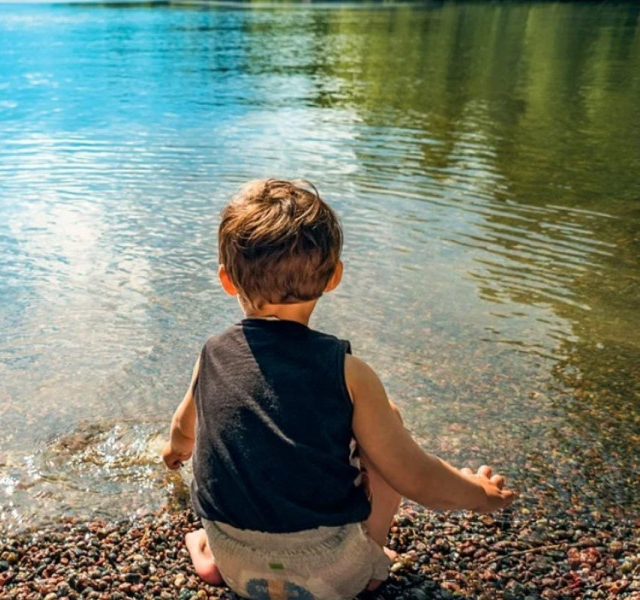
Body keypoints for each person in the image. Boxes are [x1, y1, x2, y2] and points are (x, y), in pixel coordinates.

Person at [162, 179, 516, 600]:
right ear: (333, 277)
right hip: (332, 578)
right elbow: (415, 477)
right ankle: (372, 556)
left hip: (237, 565)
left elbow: (184, 429)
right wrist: (480, 495)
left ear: (226, 280)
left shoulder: (211, 355)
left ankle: (206, 552)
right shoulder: (349, 373)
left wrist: (174, 454)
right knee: (388, 422)